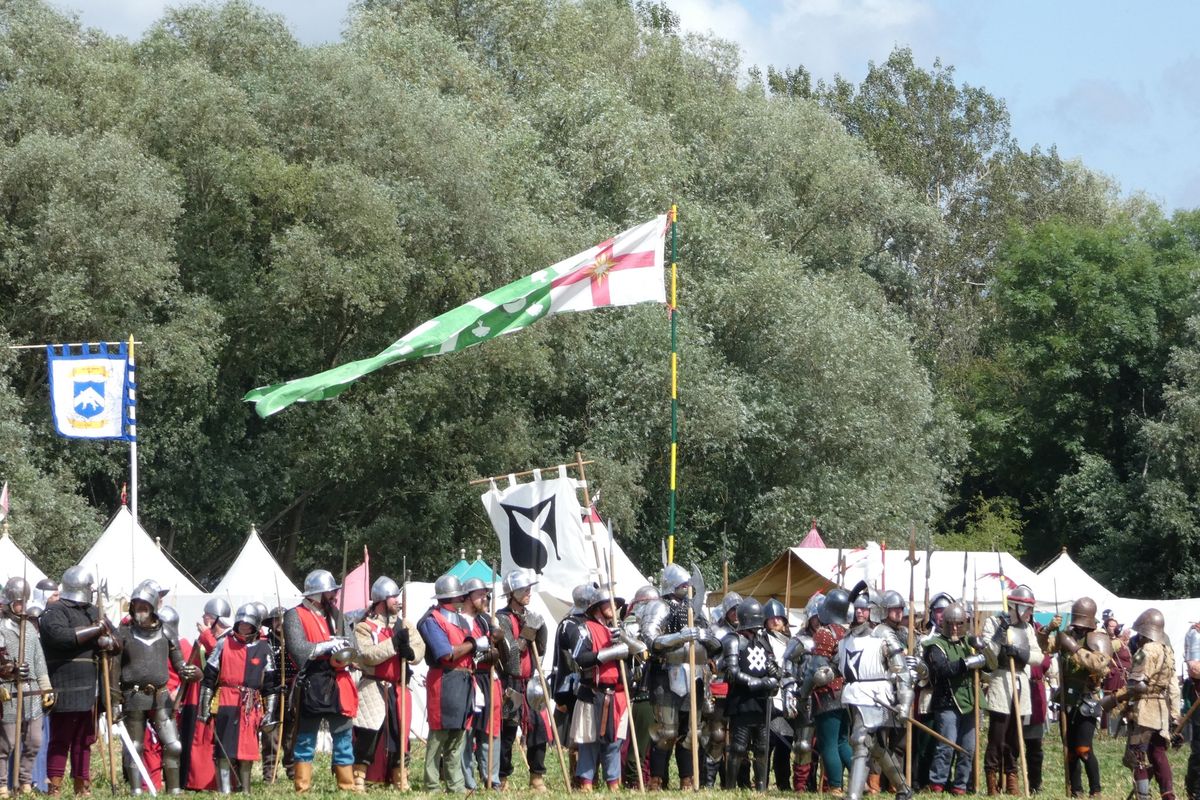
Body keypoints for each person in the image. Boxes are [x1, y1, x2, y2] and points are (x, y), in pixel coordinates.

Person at [111, 580, 199, 795]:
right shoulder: (123, 634)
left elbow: (180, 665)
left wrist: (191, 672)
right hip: (133, 696)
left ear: (152, 607)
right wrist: (113, 702)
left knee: (174, 745)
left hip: (161, 696)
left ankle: (174, 790)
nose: (139, 612)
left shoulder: (166, 632)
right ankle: (136, 791)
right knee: (135, 747)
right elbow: (113, 671)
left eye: (143, 607)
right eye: (136, 607)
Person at [639, 563, 720, 790]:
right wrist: (680, 637)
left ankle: (687, 779)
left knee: (692, 732)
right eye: (684, 584)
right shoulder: (659, 606)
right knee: (667, 732)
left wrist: (703, 634)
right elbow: (651, 639)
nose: (688, 587)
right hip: (666, 675)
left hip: (696, 675)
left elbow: (715, 643)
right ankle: (656, 780)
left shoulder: (693, 609)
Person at [39, 566, 116, 797]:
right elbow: (60, 637)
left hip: (90, 687)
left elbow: (117, 640)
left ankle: (82, 787)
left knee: (85, 740)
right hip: (64, 684)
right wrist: (96, 630)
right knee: (61, 739)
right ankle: (55, 787)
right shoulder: (55, 611)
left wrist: (109, 643)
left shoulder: (94, 611)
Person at [837, 581, 916, 800]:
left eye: (865, 608)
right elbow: (841, 667)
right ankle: (903, 788)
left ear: (874, 611)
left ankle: (853, 795)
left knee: (861, 739)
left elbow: (901, 671)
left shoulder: (882, 635)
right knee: (874, 747)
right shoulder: (847, 639)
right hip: (853, 695)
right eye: (857, 608)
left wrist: (904, 703)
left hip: (875, 696)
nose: (860, 612)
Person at [284, 569, 359, 793]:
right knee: (306, 737)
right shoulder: (295, 615)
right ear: (317, 594)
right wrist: (326, 645)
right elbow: (298, 650)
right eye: (330, 592)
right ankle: (302, 786)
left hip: (338, 680)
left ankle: (346, 785)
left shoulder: (336, 615)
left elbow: (354, 648)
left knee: (343, 734)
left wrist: (344, 646)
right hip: (313, 681)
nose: (334, 596)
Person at [198, 603, 279, 794]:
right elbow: (208, 678)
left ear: (255, 626)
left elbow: (270, 686)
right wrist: (204, 708)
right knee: (224, 750)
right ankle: (225, 790)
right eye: (241, 623)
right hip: (226, 700)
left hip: (251, 705)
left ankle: (246, 790)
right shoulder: (223, 644)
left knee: (246, 751)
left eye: (248, 624)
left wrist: (270, 712)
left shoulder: (264, 648)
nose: (244, 627)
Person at [351, 576, 422, 791]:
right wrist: (393, 643)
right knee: (369, 735)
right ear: (381, 600)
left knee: (400, 735)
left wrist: (411, 653)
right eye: (393, 598)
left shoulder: (405, 624)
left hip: (399, 687)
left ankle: (400, 777)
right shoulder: (364, 627)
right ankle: (359, 779)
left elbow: (420, 648)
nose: (398, 602)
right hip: (373, 687)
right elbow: (367, 655)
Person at [570, 584, 643, 790]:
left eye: (615, 604)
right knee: (589, 742)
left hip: (619, 694)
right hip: (594, 693)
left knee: (614, 744)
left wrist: (626, 641)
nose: (614, 607)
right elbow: (580, 658)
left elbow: (643, 652)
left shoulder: (619, 630)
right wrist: (611, 653)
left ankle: (614, 784)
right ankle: (586, 783)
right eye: (608, 604)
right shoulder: (585, 629)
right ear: (597, 606)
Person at [417, 574, 479, 793]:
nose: (463, 598)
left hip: (463, 679)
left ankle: (455, 784)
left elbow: (469, 653)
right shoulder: (431, 620)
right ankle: (432, 784)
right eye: (459, 595)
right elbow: (446, 653)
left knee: (457, 735)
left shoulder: (461, 620)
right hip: (444, 679)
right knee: (439, 735)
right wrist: (473, 643)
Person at [981, 585, 1042, 796]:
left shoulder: (1028, 629)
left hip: (1021, 682)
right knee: (997, 736)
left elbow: (1038, 656)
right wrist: (1000, 634)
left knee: (1015, 737)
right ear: (1014, 606)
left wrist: (1021, 653)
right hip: (1001, 680)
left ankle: (1011, 776)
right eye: (1026, 608)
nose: (1029, 613)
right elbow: (989, 655)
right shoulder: (994, 623)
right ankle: (991, 777)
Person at [495, 568, 551, 791]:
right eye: (523, 589)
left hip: (531, 682)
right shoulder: (502, 619)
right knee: (508, 731)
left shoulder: (531, 617)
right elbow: (511, 655)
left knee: (538, 729)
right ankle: (502, 777)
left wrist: (540, 630)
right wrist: (528, 633)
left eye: (529, 588)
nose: (528, 592)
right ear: (512, 593)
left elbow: (541, 649)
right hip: (511, 682)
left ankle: (536, 776)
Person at [1049, 597, 1111, 798]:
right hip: (1067, 698)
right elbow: (1046, 647)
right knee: (1070, 751)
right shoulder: (1067, 635)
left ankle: (1096, 790)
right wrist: (1048, 630)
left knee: (1083, 748)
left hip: (1087, 699)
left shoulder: (1098, 638)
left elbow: (1099, 664)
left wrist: (1074, 648)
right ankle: (1076, 791)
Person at [923, 602, 986, 795]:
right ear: (945, 624)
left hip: (972, 699)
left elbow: (991, 665)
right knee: (946, 745)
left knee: (968, 747)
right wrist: (968, 663)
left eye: (959, 623)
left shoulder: (970, 643)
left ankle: (961, 785)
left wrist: (983, 649)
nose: (955, 628)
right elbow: (941, 669)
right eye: (951, 624)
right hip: (947, 701)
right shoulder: (935, 644)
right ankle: (938, 783)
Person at [722, 597, 783, 790]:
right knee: (739, 747)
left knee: (762, 748)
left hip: (762, 702)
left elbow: (771, 665)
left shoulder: (763, 640)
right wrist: (760, 683)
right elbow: (732, 672)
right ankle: (731, 787)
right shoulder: (733, 640)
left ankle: (761, 787)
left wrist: (775, 676)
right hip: (742, 700)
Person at [798, 588, 854, 797]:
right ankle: (860, 781)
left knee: (828, 743)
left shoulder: (824, 633)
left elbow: (817, 671)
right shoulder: (847, 632)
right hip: (846, 693)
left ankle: (837, 786)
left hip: (828, 694)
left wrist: (803, 694)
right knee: (842, 741)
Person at [0, 578, 54, 796]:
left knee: (34, 741)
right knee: (6, 744)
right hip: (8, 692)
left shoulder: (30, 629)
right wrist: (8, 671)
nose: (22, 606)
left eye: (24, 601)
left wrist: (47, 688)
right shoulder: (1, 629)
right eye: (18, 602)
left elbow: (39, 662)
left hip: (32, 694)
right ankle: (2, 783)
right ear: (10, 602)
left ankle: (25, 781)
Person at [1121, 608, 1180, 800]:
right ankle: (1168, 796)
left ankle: (1143, 797)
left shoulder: (1144, 651)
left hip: (1145, 709)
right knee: (1158, 753)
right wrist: (1175, 713)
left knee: (1137, 755)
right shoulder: (1168, 651)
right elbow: (1173, 687)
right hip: (1161, 709)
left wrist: (1116, 699)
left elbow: (1136, 684)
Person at [183, 597, 231, 791]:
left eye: (207, 617)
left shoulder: (226, 639)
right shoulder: (211, 639)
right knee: (198, 739)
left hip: (217, 695)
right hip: (200, 694)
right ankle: (195, 781)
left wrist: (206, 636)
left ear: (213, 619)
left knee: (208, 741)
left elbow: (220, 661)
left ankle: (207, 782)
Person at [460, 577, 504, 791]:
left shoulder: (485, 620)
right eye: (479, 594)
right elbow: (458, 652)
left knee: (490, 729)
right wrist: (482, 655)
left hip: (489, 680)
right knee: (466, 731)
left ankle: (491, 778)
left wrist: (500, 643)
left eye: (485, 594)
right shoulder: (458, 621)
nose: (484, 598)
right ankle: (467, 781)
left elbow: (506, 656)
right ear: (467, 597)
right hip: (468, 678)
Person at [260, 606, 294, 784]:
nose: (280, 623)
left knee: (291, 734)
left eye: (283, 620)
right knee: (271, 735)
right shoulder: (265, 643)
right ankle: (269, 773)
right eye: (276, 620)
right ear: (271, 623)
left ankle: (292, 770)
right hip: (272, 692)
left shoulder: (295, 641)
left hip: (292, 690)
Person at [763, 597, 793, 791]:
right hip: (770, 696)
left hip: (788, 696)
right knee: (767, 744)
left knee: (786, 743)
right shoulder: (762, 640)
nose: (775, 621)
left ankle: (783, 782)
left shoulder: (792, 642)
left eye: (779, 618)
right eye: (771, 618)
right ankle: (762, 782)